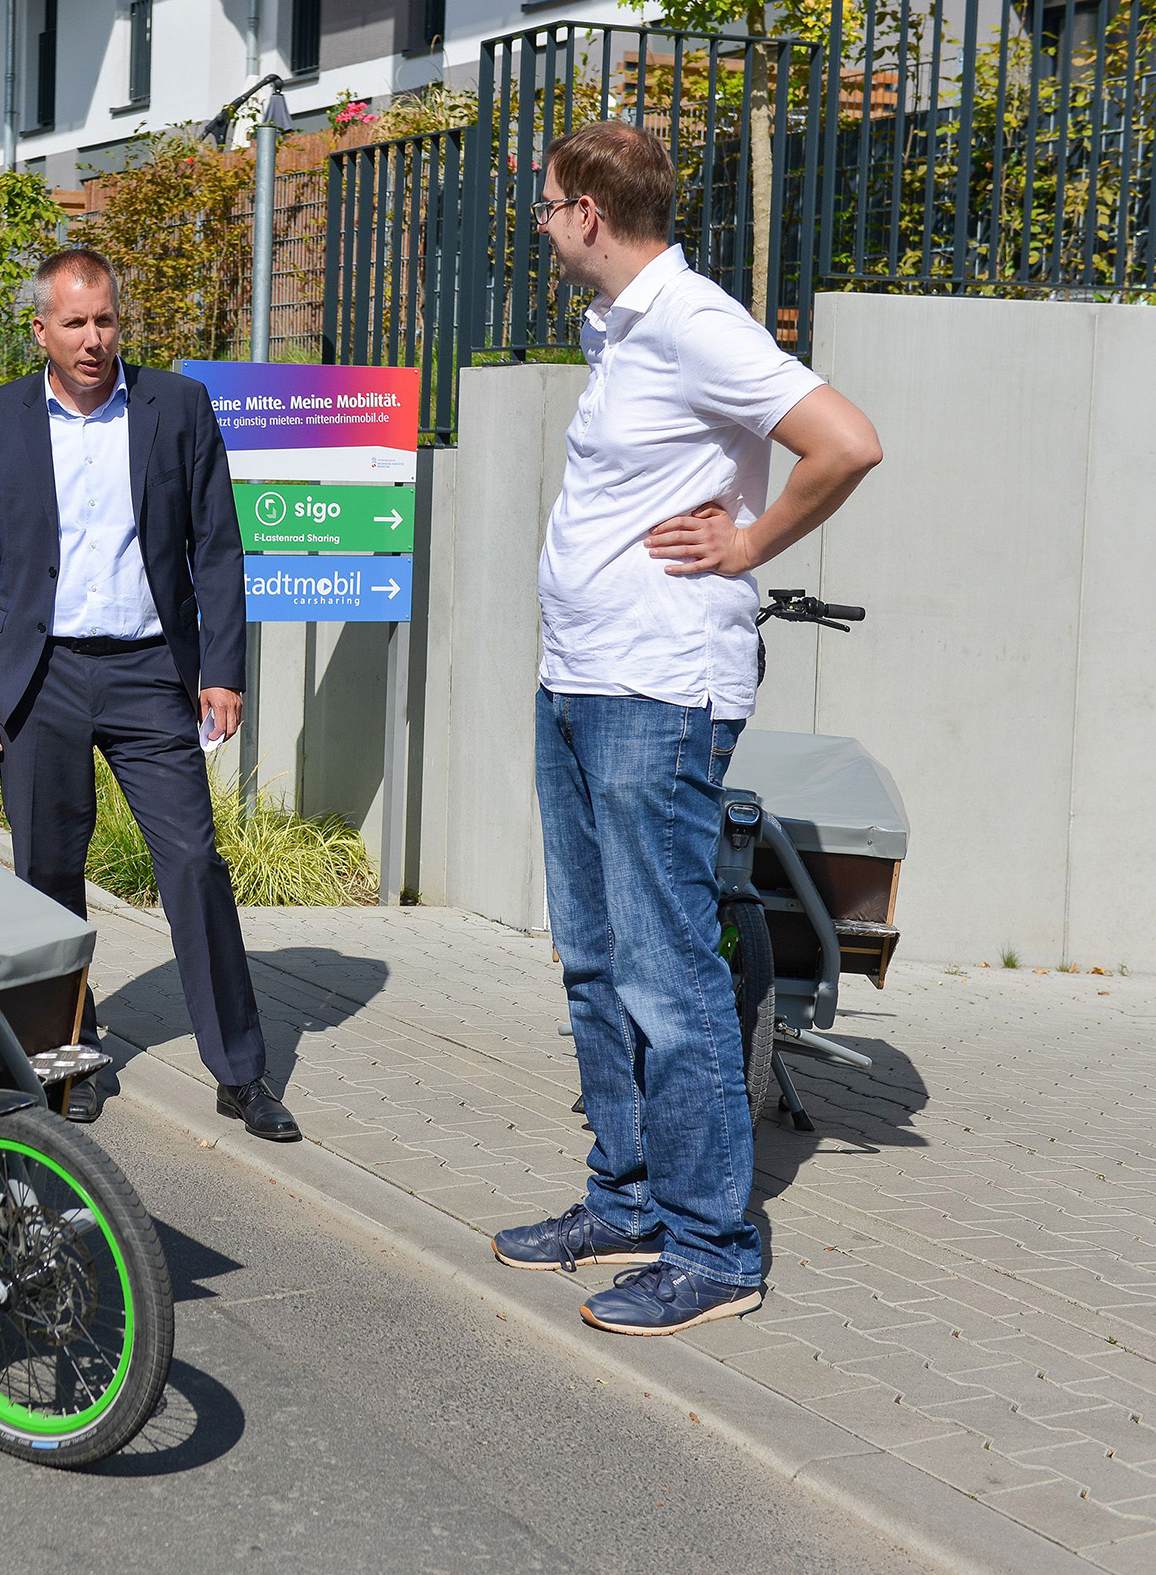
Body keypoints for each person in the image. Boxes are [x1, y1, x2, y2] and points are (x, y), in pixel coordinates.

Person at [488, 125, 883, 1334]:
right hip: (582, 680)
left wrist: (750, 543)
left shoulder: (693, 321)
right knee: (596, 959)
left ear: (590, 213)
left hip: (656, 692)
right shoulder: (620, 329)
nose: (540, 223)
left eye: (547, 205)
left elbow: (846, 441)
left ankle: (712, 1249)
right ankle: (626, 1202)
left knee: (666, 971)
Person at [0, 247, 297, 1143]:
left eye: (105, 319)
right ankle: (69, 1051)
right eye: (75, 323)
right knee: (47, 875)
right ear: (41, 330)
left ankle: (241, 1070)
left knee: (194, 863)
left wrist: (223, 669)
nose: (94, 338)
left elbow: (217, 545)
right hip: (42, 676)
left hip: (149, 674)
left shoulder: (176, 406)